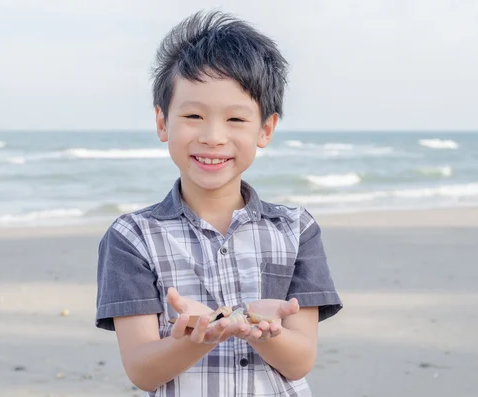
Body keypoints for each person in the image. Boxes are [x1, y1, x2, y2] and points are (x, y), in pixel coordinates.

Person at [95, 10, 343, 397]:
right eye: (193, 115)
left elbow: (300, 360)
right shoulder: (132, 236)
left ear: (266, 129)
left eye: (235, 120)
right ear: (163, 122)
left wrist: (256, 329)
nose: (213, 136)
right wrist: (200, 338)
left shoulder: (296, 229)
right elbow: (142, 370)